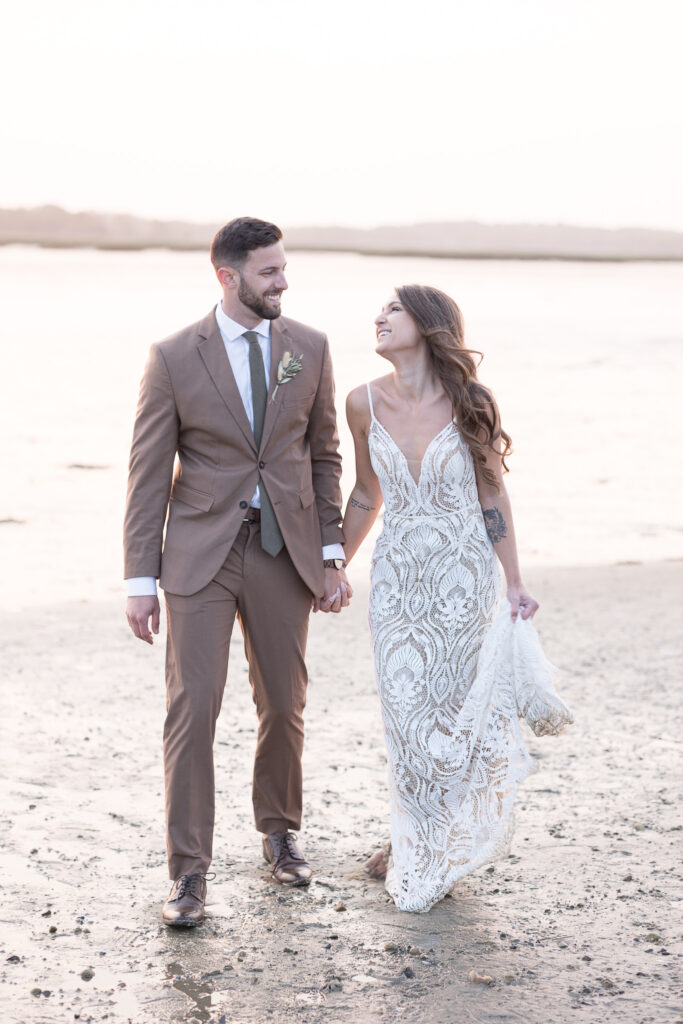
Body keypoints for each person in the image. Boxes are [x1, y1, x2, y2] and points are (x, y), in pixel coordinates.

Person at [123, 217, 351, 926]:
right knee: (193, 710)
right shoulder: (171, 356)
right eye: (269, 272)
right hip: (198, 553)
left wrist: (331, 549)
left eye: (284, 269)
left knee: (283, 702)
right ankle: (187, 875)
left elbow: (323, 453)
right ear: (227, 277)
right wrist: (139, 577)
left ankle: (279, 833)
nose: (283, 281)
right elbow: (148, 471)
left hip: (285, 551)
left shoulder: (307, 347)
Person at [343, 285, 572, 913]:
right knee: (405, 716)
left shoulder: (471, 402)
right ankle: (413, 835)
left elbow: (492, 493)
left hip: (463, 579)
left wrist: (516, 580)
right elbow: (367, 493)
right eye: (380, 311)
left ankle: (420, 839)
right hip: (397, 583)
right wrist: (333, 563)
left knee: (450, 716)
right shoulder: (361, 402)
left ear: (427, 323)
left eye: (392, 309)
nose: (379, 318)